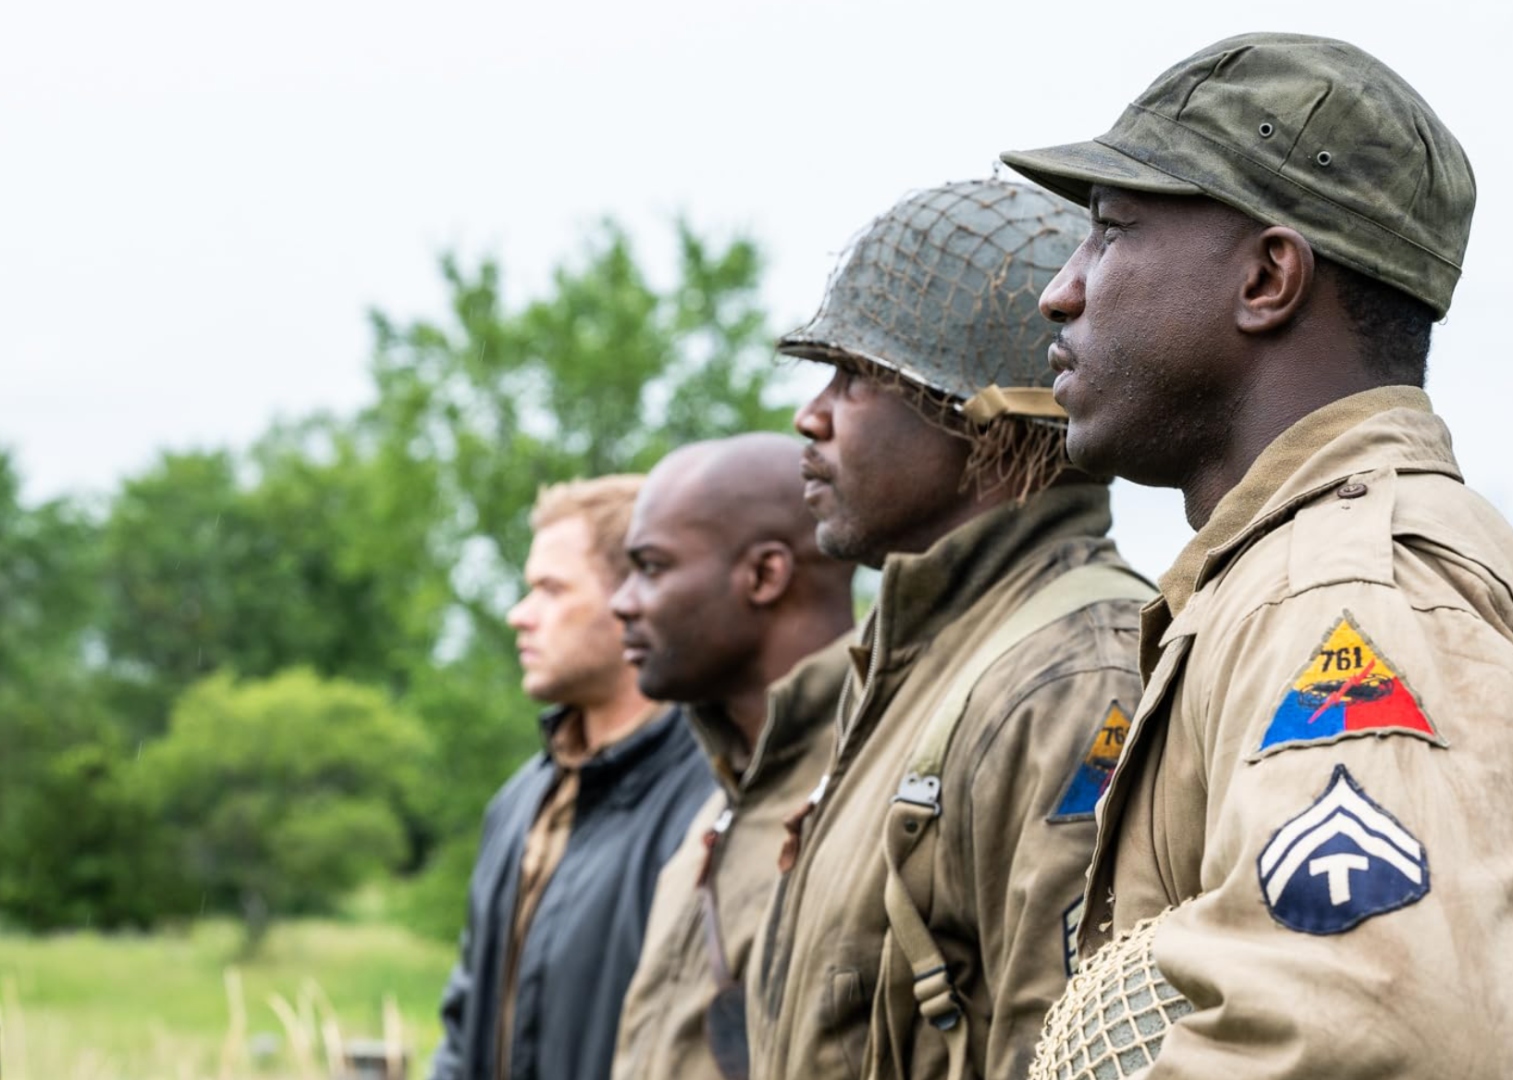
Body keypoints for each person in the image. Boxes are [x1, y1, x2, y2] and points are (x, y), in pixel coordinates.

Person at [999, 33, 1513, 1080]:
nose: (1061, 290)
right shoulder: (1292, 578)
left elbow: (1384, 1037)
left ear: (1269, 277)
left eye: (1110, 232)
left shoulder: (1355, 597)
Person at [745, 179, 1155, 1080]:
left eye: (856, 378)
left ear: (981, 424)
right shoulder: (923, 656)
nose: (809, 416)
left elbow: (1058, 1051)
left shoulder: (1075, 682)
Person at [428, 475, 715, 1080]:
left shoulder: (714, 797)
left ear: (634, 597)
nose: (519, 615)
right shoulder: (518, 802)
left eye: (550, 590)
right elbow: (463, 1028)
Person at [608, 433, 857, 1080]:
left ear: (765, 575)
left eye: (652, 567)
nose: (623, 602)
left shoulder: (873, 788)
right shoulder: (716, 806)